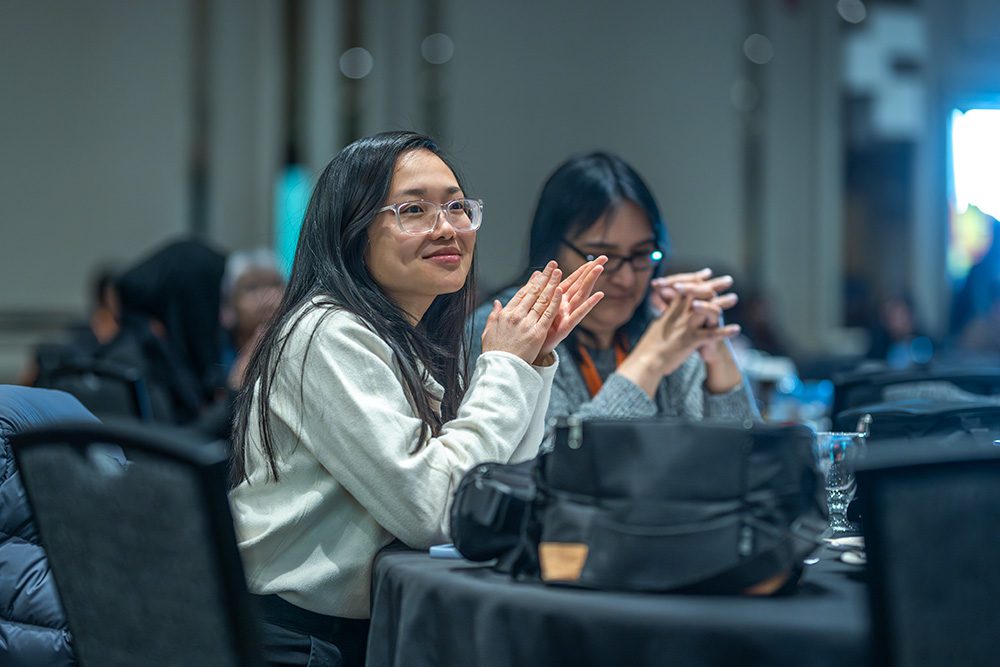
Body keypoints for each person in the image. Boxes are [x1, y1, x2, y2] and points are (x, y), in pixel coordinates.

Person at [229, 131, 605, 667]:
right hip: (297, 645)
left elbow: (488, 493)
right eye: (413, 209)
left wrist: (534, 363)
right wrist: (507, 366)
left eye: (456, 206)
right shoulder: (327, 332)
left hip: (364, 632)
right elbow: (432, 509)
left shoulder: (399, 339)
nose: (447, 227)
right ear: (353, 229)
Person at [469, 152, 758, 427]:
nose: (627, 279)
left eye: (643, 254)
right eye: (601, 257)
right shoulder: (502, 329)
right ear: (552, 248)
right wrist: (649, 361)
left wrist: (717, 355)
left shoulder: (660, 330)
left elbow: (747, 463)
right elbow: (553, 466)